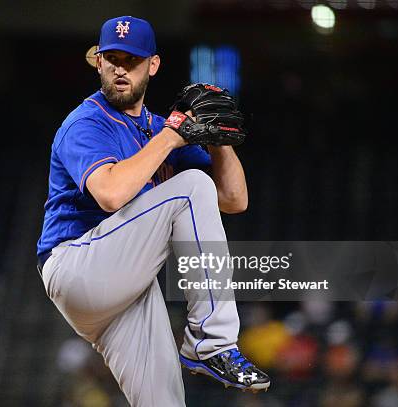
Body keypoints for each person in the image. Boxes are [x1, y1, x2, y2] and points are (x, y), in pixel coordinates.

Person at [37, 15, 270, 406]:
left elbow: (233, 199)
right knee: (192, 186)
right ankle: (211, 343)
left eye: (131, 59)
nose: (119, 68)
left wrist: (217, 140)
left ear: (153, 65)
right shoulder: (86, 123)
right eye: (111, 58)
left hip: (126, 288)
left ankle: (206, 348)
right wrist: (170, 138)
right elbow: (110, 195)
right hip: (77, 265)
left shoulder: (161, 128)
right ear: (98, 63)